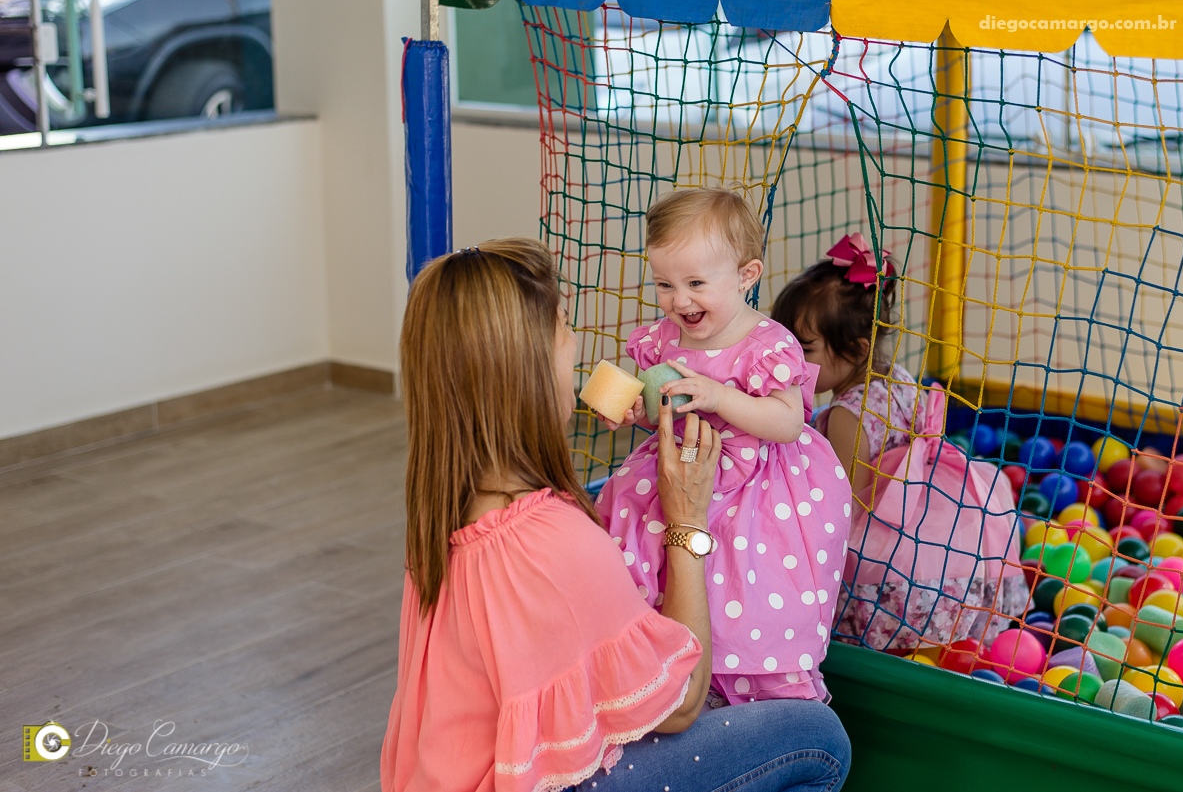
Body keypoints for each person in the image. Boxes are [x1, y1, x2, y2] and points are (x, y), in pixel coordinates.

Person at [380, 238, 851, 792]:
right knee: (819, 736)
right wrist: (687, 523)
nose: (576, 346)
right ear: (525, 365)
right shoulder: (554, 538)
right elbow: (680, 703)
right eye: (562, 326)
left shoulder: (439, 524)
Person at [591, 189, 853, 706]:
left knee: (740, 588)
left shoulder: (767, 343)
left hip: (757, 489)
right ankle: (667, 666)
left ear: (746, 276)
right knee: (655, 556)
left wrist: (720, 395)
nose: (678, 300)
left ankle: (759, 689)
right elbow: (661, 405)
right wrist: (636, 410)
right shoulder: (662, 339)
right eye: (665, 284)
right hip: (683, 470)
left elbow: (786, 420)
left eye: (695, 283)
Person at [771, 233, 1026, 653]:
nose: (789, 359)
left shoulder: (847, 416)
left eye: (804, 348)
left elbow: (842, 508)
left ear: (856, 348)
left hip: (890, 547)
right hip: (934, 528)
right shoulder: (899, 378)